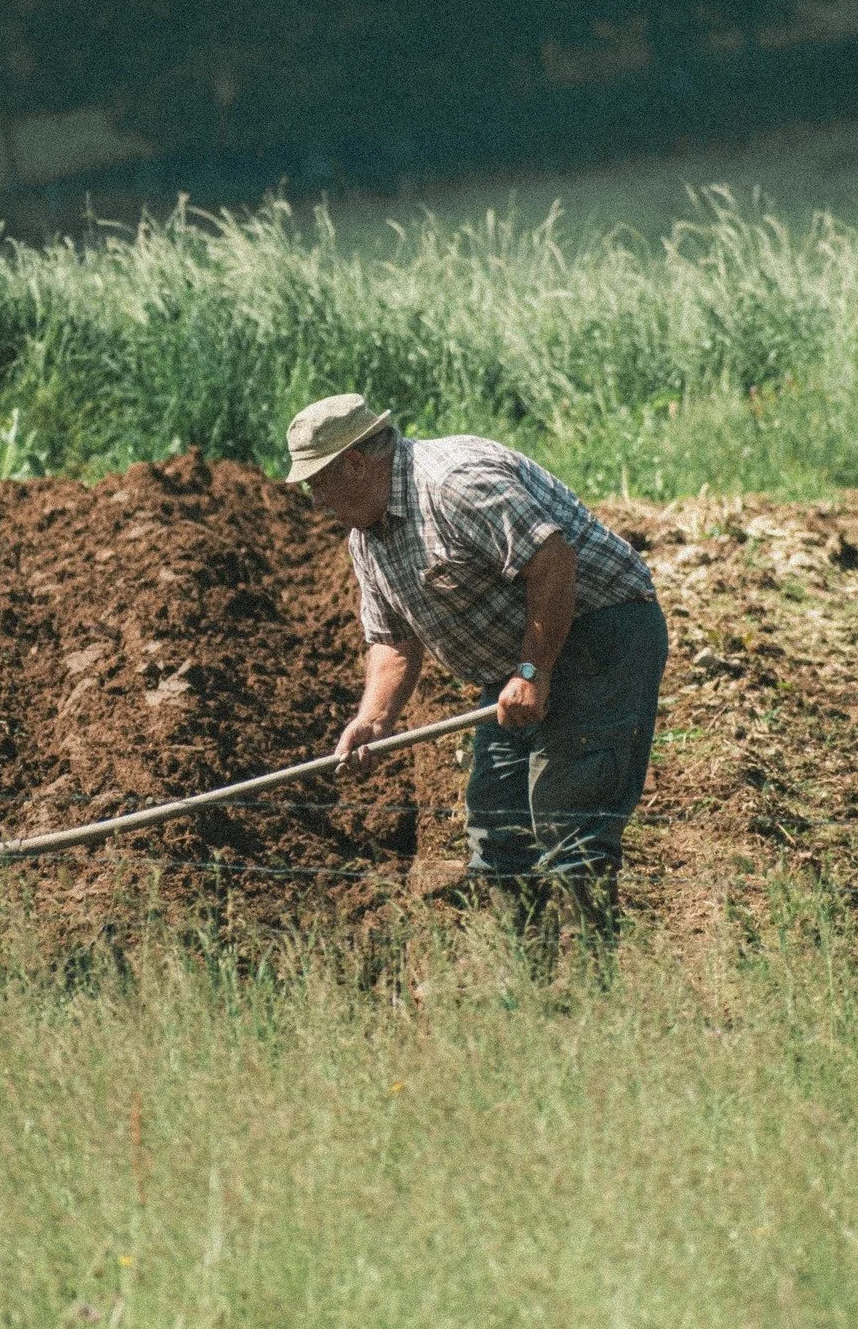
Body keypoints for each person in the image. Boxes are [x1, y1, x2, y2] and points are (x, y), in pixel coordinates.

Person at [284, 393, 669, 935]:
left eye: (317, 482)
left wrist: (533, 673)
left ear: (354, 462)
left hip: (600, 628)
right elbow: (393, 640)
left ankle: (591, 990)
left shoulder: (455, 484)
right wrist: (374, 719)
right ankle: (524, 985)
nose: (315, 499)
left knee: (567, 814)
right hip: (514, 662)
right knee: (495, 825)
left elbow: (554, 562)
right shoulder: (366, 539)